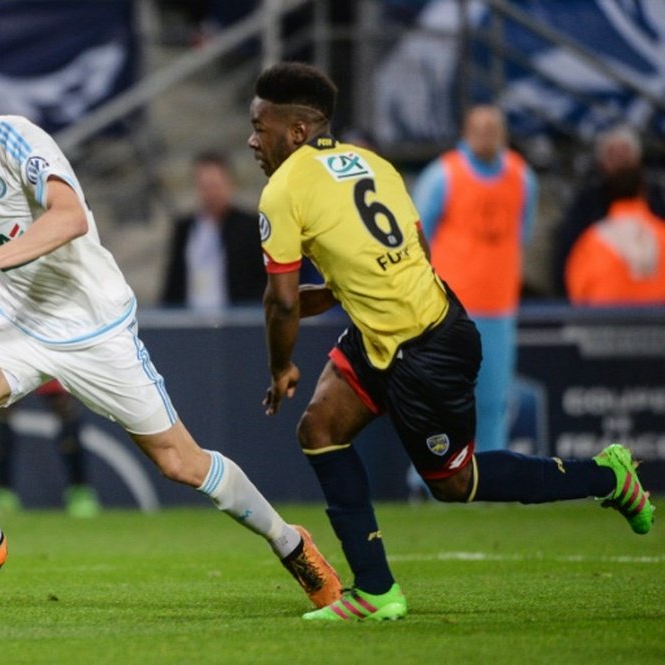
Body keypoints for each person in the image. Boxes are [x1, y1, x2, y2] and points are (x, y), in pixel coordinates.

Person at [0, 66, 341, 608]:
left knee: (181, 463)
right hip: (22, 322)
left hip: (96, 326)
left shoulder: (20, 140)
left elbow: (68, 217)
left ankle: (289, 542)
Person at [246, 61, 655, 622]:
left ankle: (609, 477)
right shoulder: (374, 164)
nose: (251, 139)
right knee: (320, 428)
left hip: (426, 350)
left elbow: (284, 301)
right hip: (399, 331)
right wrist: (356, 294)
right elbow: (412, 249)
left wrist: (281, 368)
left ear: (296, 132)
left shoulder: (282, 190)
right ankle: (376, 591)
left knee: (455, 483)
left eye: (260, 126)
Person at [0, 228, 100, 518]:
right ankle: (3, 492)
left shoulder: (39, 203)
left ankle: (80, 490)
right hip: (2, 322)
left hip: (48, 321)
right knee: (2, 409)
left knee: (63, 406)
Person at [411, 104, 537, 458]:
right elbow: (418, 237)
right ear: (465, 132)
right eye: (478, 128)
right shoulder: (442, 175)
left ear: (504, 134)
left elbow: (522, 234)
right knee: (442, 395)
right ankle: (429, 476)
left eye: (492, 128)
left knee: (495, 398)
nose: (486, 135)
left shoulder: (522, 177)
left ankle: (491, 470)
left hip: (499, 308)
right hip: (448, 310)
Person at [550, 124, 665, 297]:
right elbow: (567, 255)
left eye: (625, 155)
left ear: (637, 160)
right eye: (613, 155)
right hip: (602, 309)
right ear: (601, 162)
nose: (620, 162)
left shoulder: (656, 201)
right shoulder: (587, 202)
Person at [160, 151, 267, 309]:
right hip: (192, 320)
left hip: (236, 320)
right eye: (205, 186)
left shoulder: (249, 227)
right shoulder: (185, 228)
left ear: (229, 184)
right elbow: (174, 281)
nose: (211, 193)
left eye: (216, 186)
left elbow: (260, 280)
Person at [565, 162, 665, 304]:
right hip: (658, 323)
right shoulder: (662, 234)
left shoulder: (592, 241)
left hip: (606, 322)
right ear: (643, 191)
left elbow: (578, 292)